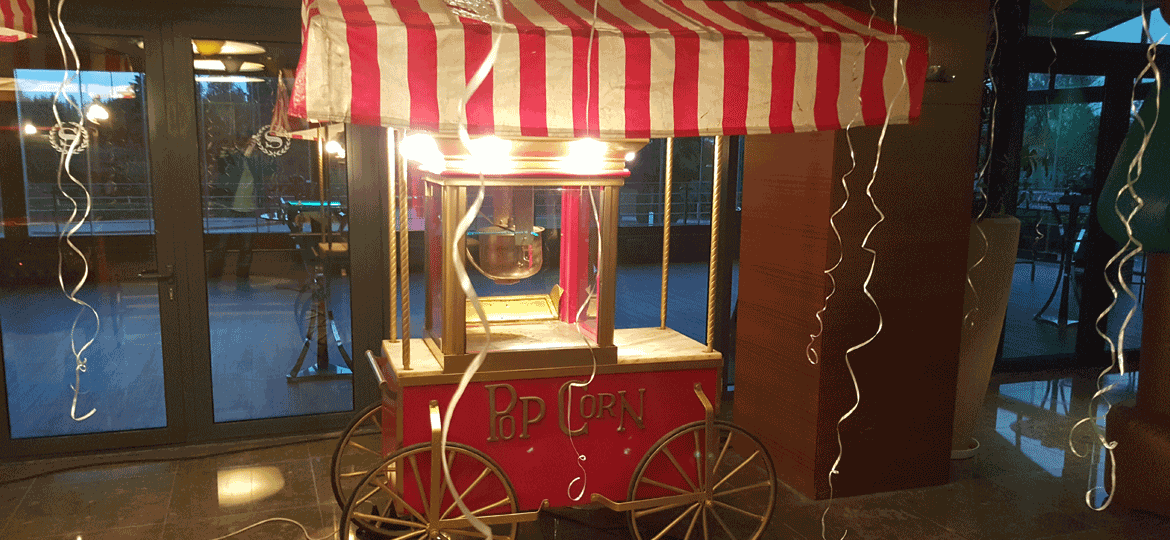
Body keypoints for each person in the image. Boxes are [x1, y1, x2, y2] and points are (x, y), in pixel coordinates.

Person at [206, 131, 267, 280]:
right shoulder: (231, 157)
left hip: (249, 209)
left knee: (246, 247)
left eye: (255, 143)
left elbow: (265, 175)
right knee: (221, 244)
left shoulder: (255, 161)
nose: (253, 145)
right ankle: (213, 277)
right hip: (229, 208)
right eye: (250, 142)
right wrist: (246, 152)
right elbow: (231, 169)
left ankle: (242, 277)